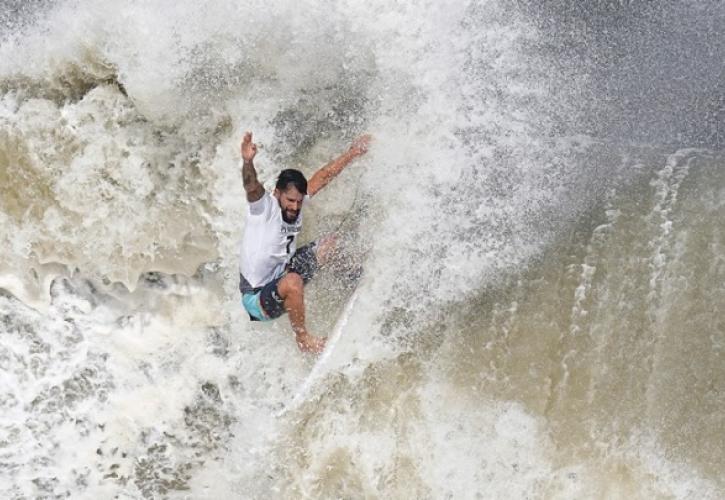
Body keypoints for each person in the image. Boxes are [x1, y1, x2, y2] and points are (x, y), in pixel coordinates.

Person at [238, 131, 371, 353]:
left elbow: (324, 175)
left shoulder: (297, 202)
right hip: (257, 299)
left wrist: (354, 152)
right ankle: (303, 339)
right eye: (290, 200)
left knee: (331, 244)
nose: (295, 207)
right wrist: (247, 161)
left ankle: (354, 278)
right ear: (277, 193)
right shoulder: (263, 209)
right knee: (292, 281)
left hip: (281, 273)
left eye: (299, 201)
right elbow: (251, 187)